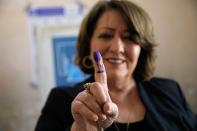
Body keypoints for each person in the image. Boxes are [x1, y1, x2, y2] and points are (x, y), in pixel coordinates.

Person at [35, 0, 197, 131]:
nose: (117, 48)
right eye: (106, 35)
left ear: (142, 48)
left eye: (129, 37)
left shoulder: (170, 90)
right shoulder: (62, 100)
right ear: (88, 45)